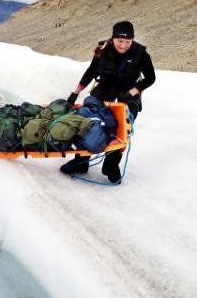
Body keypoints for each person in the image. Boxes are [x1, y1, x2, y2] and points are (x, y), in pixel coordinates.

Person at [60, 20, 156, 183]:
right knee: (87, 122)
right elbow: (91, 71)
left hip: (128, 93)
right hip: (105, 88)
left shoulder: (141, 54)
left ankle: (111, 166)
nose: (124, 45)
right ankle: (81, 162)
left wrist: (132, 92)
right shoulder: (103, 50)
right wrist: (75, 93)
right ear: (113, 38)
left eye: (128, 41)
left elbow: (150, 78)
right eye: (120, 41)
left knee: (122, 130)